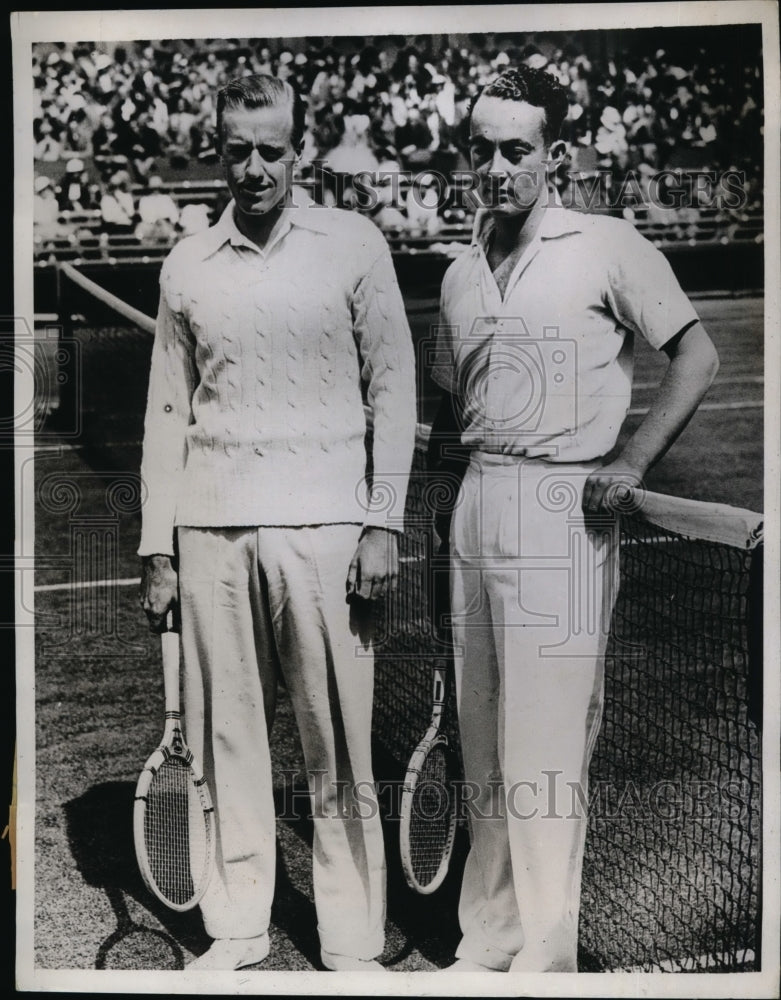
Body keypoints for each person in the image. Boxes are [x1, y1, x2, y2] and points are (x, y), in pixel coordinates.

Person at [428, 65, 719, 974]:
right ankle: (486, 942)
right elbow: (451, 415)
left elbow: (696, 354)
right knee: (481, 737)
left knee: (544, 742)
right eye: (483, 150)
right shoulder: (456, 272)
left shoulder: (605, 244)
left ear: (553, 155)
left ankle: (545, 961)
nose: (498, 169)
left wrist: (631, 461)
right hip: (477, 502)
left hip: (562, 508)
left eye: (517, 150)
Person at [138, 73, 417, 973]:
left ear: (298, 149)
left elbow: (393, 387)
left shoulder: (353, 243)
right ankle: (239, 928)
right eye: (236, 150)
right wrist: (156, 548)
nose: (253, 168)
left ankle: (350, 940)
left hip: (328, 532)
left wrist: (383, 522)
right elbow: (167, 416)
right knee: (228, 740)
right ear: (216, 149)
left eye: (271, 149)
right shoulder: (186, 262)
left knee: (336, 744)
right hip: (211, 528)